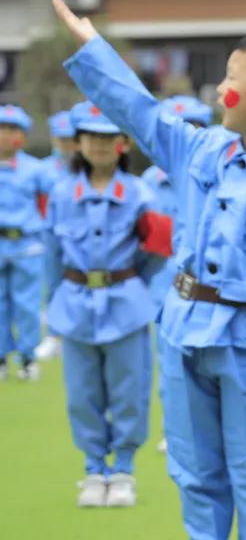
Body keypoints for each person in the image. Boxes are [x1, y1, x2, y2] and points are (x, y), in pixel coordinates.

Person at [51, 0, 246, 540]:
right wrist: (93, 50)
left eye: (230, 77)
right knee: (194, 474)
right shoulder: (201, 150)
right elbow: (140, 111)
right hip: (182, 333)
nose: (218, 89)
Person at [46, 100, 172, 508]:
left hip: (126, 303)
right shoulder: (62, 194)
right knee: (81, 394)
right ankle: (93, 468)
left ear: (122, 143)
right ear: (77, 143)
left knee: (129, 390)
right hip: (75, 303)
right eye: (90, 137)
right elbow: (52, 255)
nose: (99, 145)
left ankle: (124, 469)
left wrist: (134, 286)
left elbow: (156, 250)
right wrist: (53, 306)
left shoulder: (141, 193)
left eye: (107, 137)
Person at [141, 94, 213, 454]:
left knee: (208, 366)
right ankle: (176, 431)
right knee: (169, 367)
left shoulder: (218, 177)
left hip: (208, 289)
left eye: (195, 128)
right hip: (161, 284)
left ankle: (206, 431)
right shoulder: (149, 181)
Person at [0, 104, 52, 381]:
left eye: (13, 130)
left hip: (27, 245)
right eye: (2, 129)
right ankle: (1, 358)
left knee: (28, 304)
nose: (6, 136)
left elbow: (49, 205)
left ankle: (28, 357)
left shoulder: (36, 170)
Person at [35, 110, 79, 362]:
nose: (66, 144)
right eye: (61, 139)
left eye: (69, 138)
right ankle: (53, 335)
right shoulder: (43, 170)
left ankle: (72, 333)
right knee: (51, 285)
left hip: (78, 236)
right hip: (49, 235)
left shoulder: (82, 169)